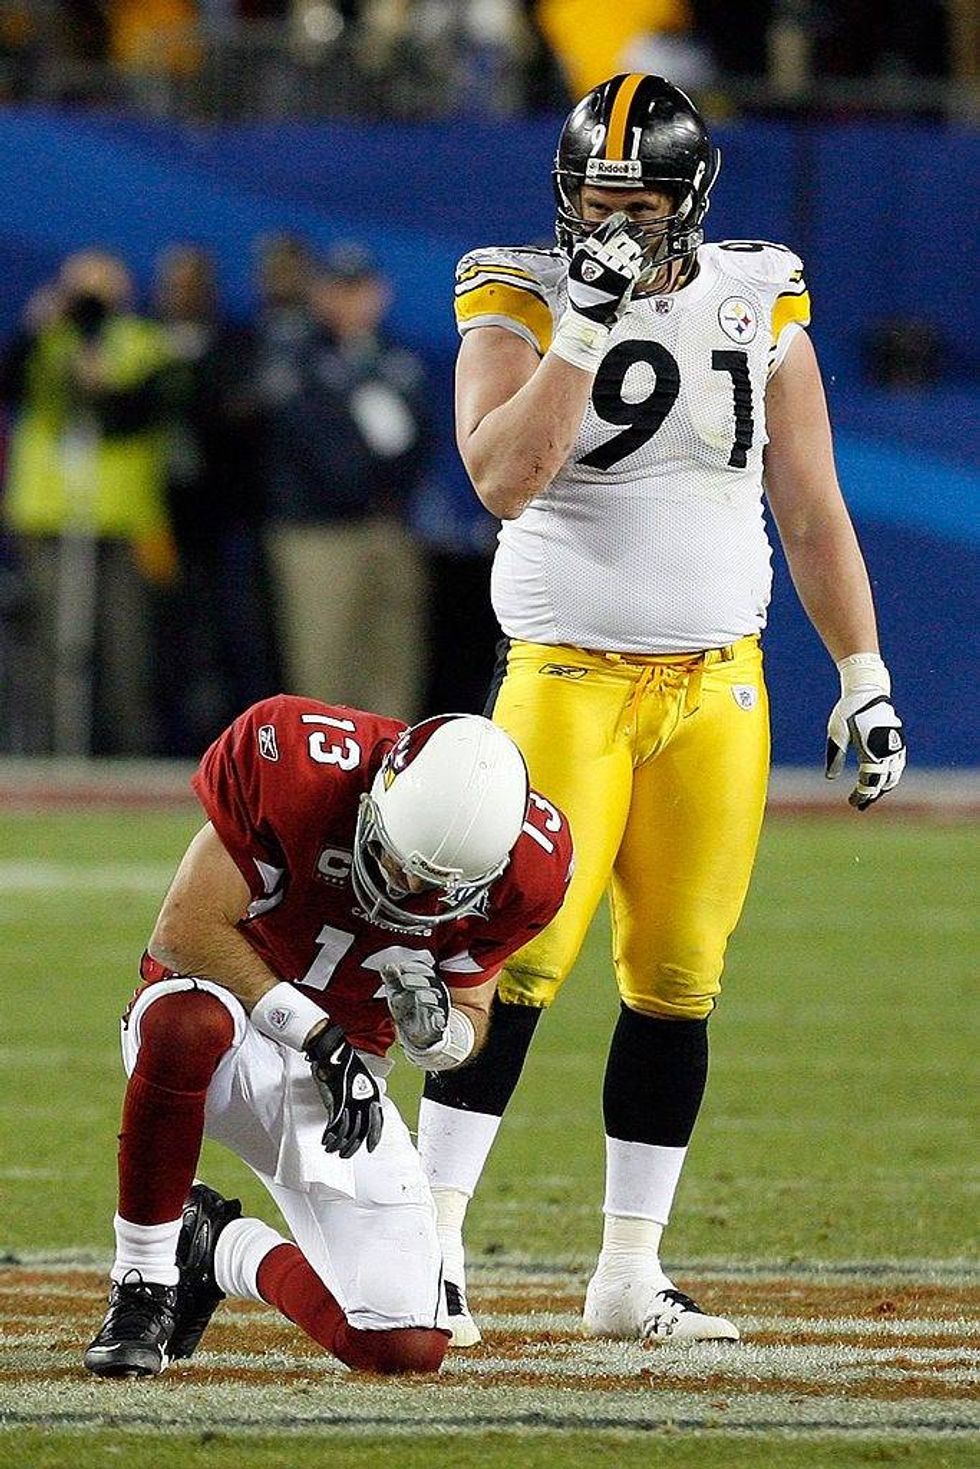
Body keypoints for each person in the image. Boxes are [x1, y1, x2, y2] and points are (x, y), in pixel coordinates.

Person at [417, 71, 908, 1348]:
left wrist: (863, 676)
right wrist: (580, 326)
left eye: (639, 201)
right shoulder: (515, 294)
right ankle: (424, 1249)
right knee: (509, 963)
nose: (615, 225)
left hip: (716, 687)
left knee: (678, 977)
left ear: (692, 200)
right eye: (594, 198)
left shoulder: (756, 295)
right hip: (565, 679)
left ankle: (627, 1272)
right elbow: (501, 478)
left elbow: (808, 509)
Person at [83, 698, 572, 1378]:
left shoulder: (534, 868)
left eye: (435, 884)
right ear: (380, 797)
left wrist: (437, 1037)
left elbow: (471, 1014)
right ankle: (142, 1281)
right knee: (185, 1023)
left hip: (346, 1075)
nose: (407, 888)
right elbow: (184, 930)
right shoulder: (298, 762)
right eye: (402, 863)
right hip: (228, 1018)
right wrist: (313, 1031)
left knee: (402, 1347)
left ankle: (218, 1245)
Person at [0, 249, 175, 755]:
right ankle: (44, 752)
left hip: (125, 519)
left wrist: (102, 382)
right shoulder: (45, 340)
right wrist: (37, 329)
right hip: (51, 516)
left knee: (128, 650)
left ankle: (128, 757)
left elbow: (145, 409)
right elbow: (11, 385)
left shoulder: (143, 342)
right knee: (48, 646)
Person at [259, 241, 433, 722]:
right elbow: (311, 443)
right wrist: (365, 483)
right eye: (341, 289)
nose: (353, 301)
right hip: (320, 532)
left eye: (362, 289)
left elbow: (426, 439)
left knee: (394, 658)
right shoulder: (296, 356)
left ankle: (389, 775)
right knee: (325, 664)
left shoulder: (395, 358)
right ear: (321, 294)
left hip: (389, 525)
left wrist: (392, 492)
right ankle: (324, 780)